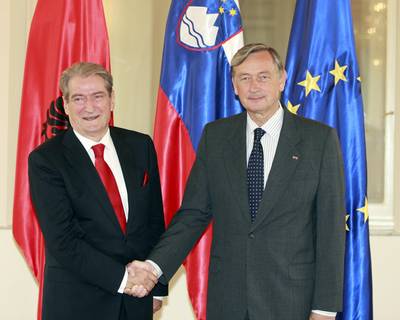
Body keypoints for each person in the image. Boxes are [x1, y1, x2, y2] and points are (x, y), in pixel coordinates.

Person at [127, 43, 346, 320]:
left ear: (282, 80)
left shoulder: (319, 140)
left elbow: (330, 231)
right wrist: (154, 269)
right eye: (244, 78)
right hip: (228, 301)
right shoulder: (216, 137)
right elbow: (193, 214)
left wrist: (324, 308)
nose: (254, 86)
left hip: (292, 301)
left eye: (263, 76)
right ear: (234, 85)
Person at [28, 62, 167, 320]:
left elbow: (154, 221)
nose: (89, 107)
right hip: (77, 304)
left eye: (98, 96)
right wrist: (125, 279)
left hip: (137, 300)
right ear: (66, 105)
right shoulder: (46, 160)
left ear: (112, 100)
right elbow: (63, 241)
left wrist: (156, 287)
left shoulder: (140, 146)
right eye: (78, 98)